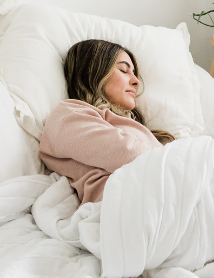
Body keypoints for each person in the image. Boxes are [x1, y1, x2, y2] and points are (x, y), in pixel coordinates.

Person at [39, 39, 175, 206]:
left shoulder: (131, 127)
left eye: (134, 73)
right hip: (134, 202)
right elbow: (129, 154)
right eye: (124, 70)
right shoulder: (69, 115)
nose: (136, 81)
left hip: (163, 194)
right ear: (93, 72)